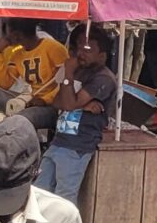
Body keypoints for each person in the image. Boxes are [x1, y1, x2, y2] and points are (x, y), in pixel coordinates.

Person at [37, 30, 115, 204]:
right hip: (59, 140)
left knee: (64, 198)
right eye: (80, 47)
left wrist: (68, 75)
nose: (81, 53)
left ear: (102, 56)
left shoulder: (104, 78)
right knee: (39, 191)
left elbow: (69, 104)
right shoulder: (80, 72)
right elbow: (57, 102)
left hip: (77, 145)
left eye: (87, 50)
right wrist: (83, 104)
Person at [0, 19, 66, 147]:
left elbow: (67, 81)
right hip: (28, 100)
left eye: (7, 33)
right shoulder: (17, 53)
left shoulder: (53, 48)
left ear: (16, 35)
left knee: (19, 118)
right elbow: (4, 84)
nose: (4, 37)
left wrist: (45, 100)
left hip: (52, 106)